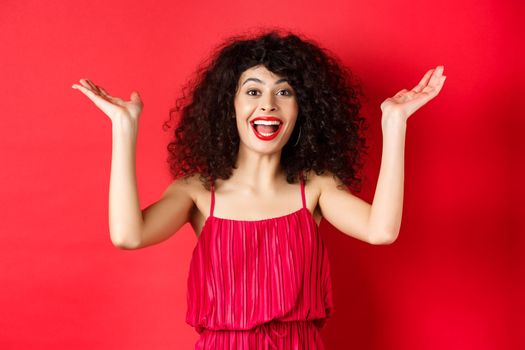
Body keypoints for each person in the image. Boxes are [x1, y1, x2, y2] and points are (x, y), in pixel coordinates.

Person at [72, 29, 446, 349]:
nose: (268, 105)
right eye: (253, 91)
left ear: (303, 109)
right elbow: (128, 235)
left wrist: (394, 123)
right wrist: (124, 129)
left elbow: (381, 231)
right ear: (229, 105)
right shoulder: (198, 192)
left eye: (284, 93)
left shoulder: (315, 188)